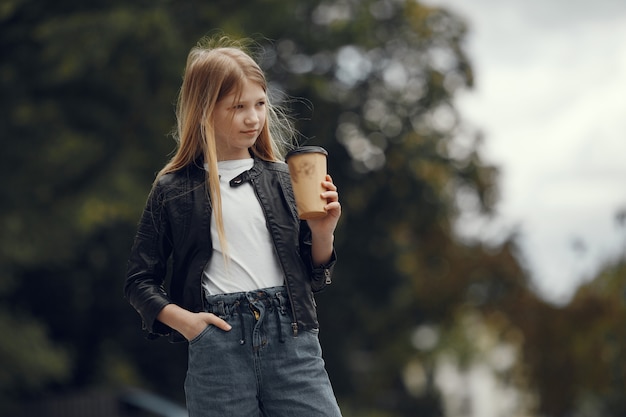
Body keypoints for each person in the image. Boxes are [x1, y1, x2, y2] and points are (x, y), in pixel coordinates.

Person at [124, 36, 343, 417]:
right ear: (205, 110)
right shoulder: (173, 189)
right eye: (238, 107)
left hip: (292, 342)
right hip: (218, 347)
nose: (253, 118)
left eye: (260, 104)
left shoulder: (284, 179)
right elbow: (139, 281)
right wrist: (189, 324)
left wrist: (324, 232)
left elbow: (314, 275)